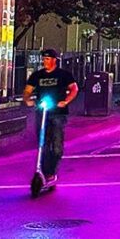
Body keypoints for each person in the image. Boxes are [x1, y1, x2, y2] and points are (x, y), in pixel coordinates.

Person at [24, 49, 79, 186]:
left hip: (58, 113)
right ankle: (42, 170)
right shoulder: (37, 76)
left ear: (54, 60)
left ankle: (51, 172)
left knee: (56, 146)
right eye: (44, 59)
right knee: (42, 143)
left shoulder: (63, 75)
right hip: (42, 112)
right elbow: (28, 90)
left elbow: (74, 89)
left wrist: (65, 101)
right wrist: (27, 99)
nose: (45, 61)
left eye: (48, 59)